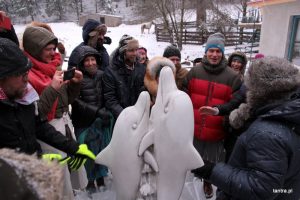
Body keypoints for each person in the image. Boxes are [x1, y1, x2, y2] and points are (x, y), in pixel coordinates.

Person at [192, 56, 300, 200]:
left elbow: (262, 189)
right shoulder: (290, 114)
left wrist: (210, 170)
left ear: (258, 89)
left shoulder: (267, 133)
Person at [0, 37, 95, 179]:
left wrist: (73, 148)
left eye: (27, 73)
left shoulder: (23, 97)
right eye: (22, 74)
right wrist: (32, 162)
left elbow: (39, 126)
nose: (27, 79)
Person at [22, 26, 87, 199]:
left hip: (64, 124)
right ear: (36, 50)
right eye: (48, 49)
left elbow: (67, 101)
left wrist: (75, 84)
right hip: (49, 133)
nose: (53, 53)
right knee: (58, 178)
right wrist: (52, 88)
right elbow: (36, 114)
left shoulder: (52, 68)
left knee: (70, 170)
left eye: (54, 49)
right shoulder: (27, 76)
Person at [183, 32, 242, 198]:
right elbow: (183, 96)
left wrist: (224, 119)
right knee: (192, 158)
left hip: (216, 129)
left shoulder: (233, 77)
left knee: (210, 162)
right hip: (193, 126)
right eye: (211, 51)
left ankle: (208, 182)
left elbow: (236, 104)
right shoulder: (194, 72)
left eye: (218, 51)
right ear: (206, 52)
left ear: (223, 53)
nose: (214, 55)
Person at [71, 45, 112, 193]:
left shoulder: (102, 75)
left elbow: (108, 95)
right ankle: (89, 179)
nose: (90, 63)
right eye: (86, 60)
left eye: (92, 59)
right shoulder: (78, 79)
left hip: (101, 120)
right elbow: (75, 101)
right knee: (88, 151)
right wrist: (96, 112)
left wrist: (106, 112)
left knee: (101, 148)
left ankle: (101, 176)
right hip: (84, 122)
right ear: (82, 63)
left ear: (97, 60)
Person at [103, 34, 146, 119]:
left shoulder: (141, 68)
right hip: (120, 118)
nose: (134, 53)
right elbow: (110, 99)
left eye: (136, 50)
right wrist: (124, 115)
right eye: (130, 51)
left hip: (140, 116)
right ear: (123, 52)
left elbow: (144, 91)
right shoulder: (111, 71)